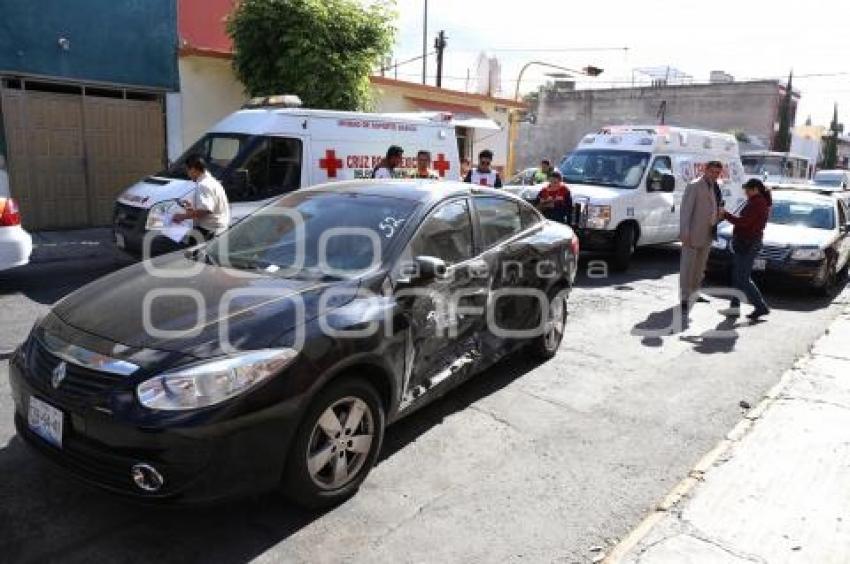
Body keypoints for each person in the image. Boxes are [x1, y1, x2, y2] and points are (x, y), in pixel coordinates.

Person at [721, 179, 772, 320]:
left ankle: (761, 307)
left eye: (748, 190)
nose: (746, 192)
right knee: (738, 277)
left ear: (755, 189)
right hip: (746, 242)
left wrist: (726, 215)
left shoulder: (757, 202)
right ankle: (734, 308)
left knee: (742, 278)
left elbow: (744, 222)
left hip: (748, 243)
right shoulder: (756, 201)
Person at [679, 160, 724, 312]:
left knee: (700, 267)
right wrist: (684, 232)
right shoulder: (694, 185)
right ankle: (685, 298)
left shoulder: (716, 186)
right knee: (688, 267)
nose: (715, 175)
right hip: (692, 233)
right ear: (705, 170)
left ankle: (695, 293)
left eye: (718, 173)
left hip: (708, 233)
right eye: (712, 171)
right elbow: (686, 211)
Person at [172, 154, 230, 241]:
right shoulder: (212, 181)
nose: (188, 174)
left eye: (187, 171)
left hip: (210, 230)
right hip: (218, 228)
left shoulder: (203, 185)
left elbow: (205, 210)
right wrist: (191, 208)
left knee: (192, 250)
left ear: (193, 169)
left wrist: (182, 216)